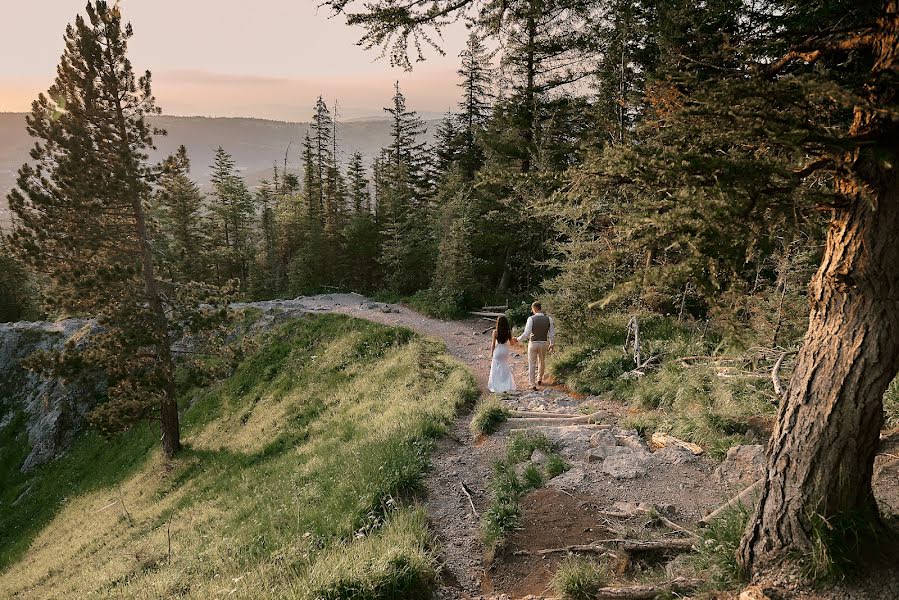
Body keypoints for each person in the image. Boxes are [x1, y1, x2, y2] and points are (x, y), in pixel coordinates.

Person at [517, 301, 555, 390]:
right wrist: (551, 343)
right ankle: (539, 379)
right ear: (540, 308)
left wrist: (518, 339)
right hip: (543, 343)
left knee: (532, 363)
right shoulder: (549, 319)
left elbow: (526, 333)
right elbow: (552, 333)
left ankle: (532, 384)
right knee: (542, 361)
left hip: (533, 343)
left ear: (534, 309)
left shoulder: (531, 319)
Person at [488, 315, 517, 393]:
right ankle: (506, 384)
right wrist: (516, 340)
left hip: (498, 350)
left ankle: (496, 385)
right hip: (505, 350)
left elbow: (493, 344)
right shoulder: (508, 332)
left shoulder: (495, 332)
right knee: (504, 367)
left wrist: (491, 353)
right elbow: (511, 343)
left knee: (495, 367)